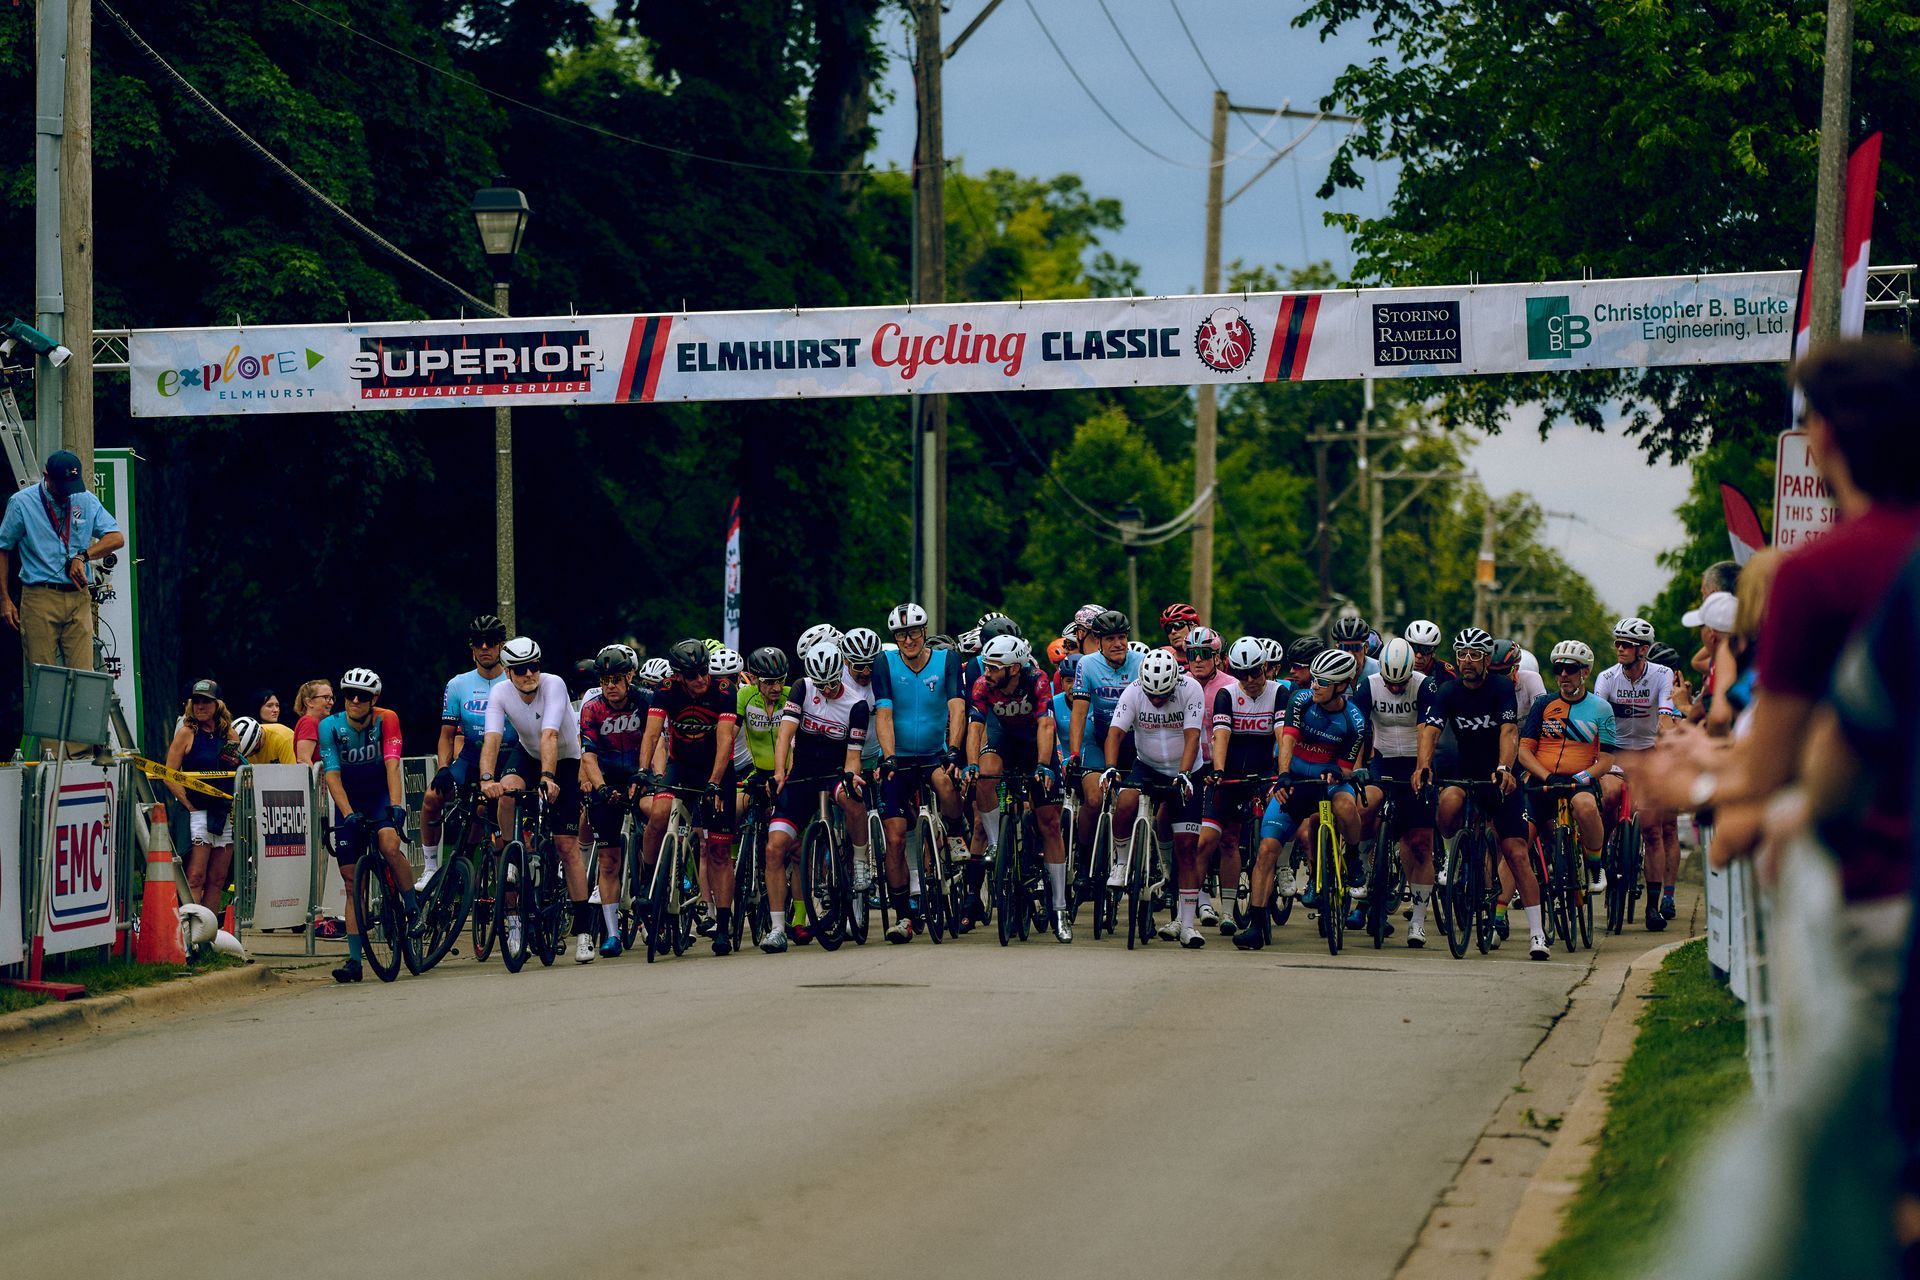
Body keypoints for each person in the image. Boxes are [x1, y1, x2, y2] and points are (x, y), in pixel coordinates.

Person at [1716, 336, 1920, 916]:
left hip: (1872, 887)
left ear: (1825, 434)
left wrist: (1698, 785)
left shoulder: (1815, 573)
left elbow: (1773, 767)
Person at [1414, 628, 1546, 959]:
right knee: (1447, 802)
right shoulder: (1448, 691)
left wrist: (1504, 767)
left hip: (1499, 777)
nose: (1467, 661)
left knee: (1515, 851)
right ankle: (1450, 855)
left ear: (1486, 659)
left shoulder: (1501, 688)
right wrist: (1423, 766)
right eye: (1462, 654)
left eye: (1475, 655)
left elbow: (1509, 731)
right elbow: (1430, 731)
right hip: (1465, 773)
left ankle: (1537, 933)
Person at [478, 637, 597, 964]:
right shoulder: (499, 693)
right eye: (520, 669)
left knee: (566, 846)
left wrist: (548, 778)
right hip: (529, 755)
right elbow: (492, 738)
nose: (529, 673)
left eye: (534, 666)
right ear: (507, 672)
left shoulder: (553, 685)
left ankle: (584, 932)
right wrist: (487, 778)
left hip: (566, 758)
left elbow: (550, 734)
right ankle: (508, 856)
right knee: (506, 790)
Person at [0, 449, 125, 755]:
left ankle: (80, 751)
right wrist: (4, 598)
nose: (68, 494)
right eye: (61, 487)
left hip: (77, 596)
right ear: (46, 478)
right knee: (45, 675)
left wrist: (84, 556)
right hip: (39, 594)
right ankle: (53, 753)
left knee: (83, 674)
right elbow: (3, 547)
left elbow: (116, 537)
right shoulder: (22, 503)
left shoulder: (83, 498)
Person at [1244, 648, 1367, 947]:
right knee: (1267, 848)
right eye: (1313, 679)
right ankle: (1256, 924)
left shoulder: (1354, 721)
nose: (1314, 686)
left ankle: (1352, 857)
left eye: (1322, 682)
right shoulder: (1300, 700)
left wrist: (1338, 773)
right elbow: (1288, 738)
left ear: (1341, 686)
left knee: (1347, 806)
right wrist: (1283, 774)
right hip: (1296, 781)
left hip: (1330, 783)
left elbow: (1346, 766)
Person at [762, 642, 869, 953]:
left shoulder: (856, 704)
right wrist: (779, 771)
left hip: (835, 772)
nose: (827, 689)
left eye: (832, 683)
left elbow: (853, 757)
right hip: (802, 776)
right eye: (821, 684)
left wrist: (852, 776)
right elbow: (785, 734)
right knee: (774, 848)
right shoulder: (801, 688)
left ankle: (860, 860)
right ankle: (777, 928)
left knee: (853, 798)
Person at [636, 638, 740, 953]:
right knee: (658, 813)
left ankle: (722, 926)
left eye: (702, 672)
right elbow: (652, 733)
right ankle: (649, 881)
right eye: (691, 675)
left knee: (720, 852)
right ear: (679, 675)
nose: (699, 680)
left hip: (716, 769)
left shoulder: (723, 690)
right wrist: (643, 771)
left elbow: (725, 741)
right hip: (680, 766)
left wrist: (715, 782)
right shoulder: (667, 689)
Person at [965, 634, 1070, 941]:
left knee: (1049, 823)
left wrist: (1042, 764)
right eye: (986, 666)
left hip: (1035, 745)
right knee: (984, 775)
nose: (987, 673)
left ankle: (1060, 909)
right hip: (1003, 742)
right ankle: (998, 843)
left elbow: (1046, 725)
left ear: (1013, 669)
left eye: (994, 667)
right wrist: (971, 763)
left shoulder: (1036, 681)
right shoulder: (983, 686)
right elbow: (975, 727)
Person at [871, 602, 966, 943]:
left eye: (912, 632)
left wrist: (954, 748)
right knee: (895, 838)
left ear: (924, 632)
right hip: (900, 758)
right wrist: (888, 756)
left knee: (944, 781)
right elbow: (883, 713)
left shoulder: (946, 660)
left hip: (933, 754)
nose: (907, 639)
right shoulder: (885, 662)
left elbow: (957, 706)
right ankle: (903, 917)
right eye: (900, 634)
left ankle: (955, 834)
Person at [1102, 648, 1207, 947]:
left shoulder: (1191, 689)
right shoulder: (1134, 692)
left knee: (1186, 848)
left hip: (1186, 770)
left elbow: (1192, 736)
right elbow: (1114, 734)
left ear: (1175, 681)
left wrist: (1184, 774)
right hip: (1146, 766)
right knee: (1124, 803)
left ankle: (1186, 925)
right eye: (1152, 695)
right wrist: (1110, 767)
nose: (1156, 700)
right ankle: (1121, 862)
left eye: (1162, 695)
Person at [317, 667, 412, 983]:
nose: (355, 700)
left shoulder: (387, 719)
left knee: (389, 845)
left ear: (375, 699)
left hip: (380, 794)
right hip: (350, 800)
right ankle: (355, 961)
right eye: (349, 694)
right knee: (350, 882)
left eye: (363, 696)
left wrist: (396, 806)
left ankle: (411, 908)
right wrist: (347, 813)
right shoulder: (329, 726)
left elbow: (392, 763)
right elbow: (332, 774)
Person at [1517, 641, 1618, 920]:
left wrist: (1583, 777)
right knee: (1518, 840)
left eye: (1570, 669)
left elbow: (1607, 760)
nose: (1563, 675)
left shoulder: (1601, 709)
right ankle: (1499, 912)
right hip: (1544, 779)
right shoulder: (1543, 703)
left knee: (1586, 807)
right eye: (1558, 669)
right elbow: (1524, 751)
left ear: (1584, 671)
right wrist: (1545, 775)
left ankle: (1596, 866)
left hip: (1580, 780)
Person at [1595, 617, 1681, 922]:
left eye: (1626, 644)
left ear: (1642, 649)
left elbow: (1666, 714)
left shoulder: (1662, 674)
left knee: (1652, 829)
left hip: (1648, 753)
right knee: (1608, 796)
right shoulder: (1607, 678)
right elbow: (1597, 722)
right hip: (1616, 754)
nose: (1619, 648)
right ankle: (1601, 853)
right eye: (1617, 642)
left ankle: (1653, 906)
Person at [422, 614, 515, 888]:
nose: (484, 648)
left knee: (496, 819)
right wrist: (442, 767)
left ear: (501, 646)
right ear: (472, 647)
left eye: (491, 642)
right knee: (430, 798)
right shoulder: (458, 684)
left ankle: (509, 881)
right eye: (478, 643)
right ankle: (429, 867)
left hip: (508, 759)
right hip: (471, 758)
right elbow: (447, 734)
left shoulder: (514, 681)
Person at [1355, 637, 1437, 947]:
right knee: (1366, 806)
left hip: (1415, 762)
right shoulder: (1371, 685)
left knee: (1419, 844)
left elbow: (1426, 730)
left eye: (1400, 683)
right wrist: (1359, 766)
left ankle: (1417, 919)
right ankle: (1361, 864)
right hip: (1382, 759)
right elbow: (1359, 727)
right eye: (1390, 682)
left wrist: (1423, 767)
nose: (1395, 689)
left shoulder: (1424, 685)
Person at [1208, 637, 1287, 948]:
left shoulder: (1280, 692)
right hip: (1233, 767)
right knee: (1221, 837)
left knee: (1277, 817)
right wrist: (1217, 772)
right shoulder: (1227, 694)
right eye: (1243, 674)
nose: (1251, 681)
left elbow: (1283, 735)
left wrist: (1283, 775)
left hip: (1266, 765)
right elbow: (1221, 736)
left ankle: (1280, 869)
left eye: (1256, 672)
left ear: (1265, 667)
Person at [579, 644, 651, 956]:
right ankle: (610, 933)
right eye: (605, 680)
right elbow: (588, 756)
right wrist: (602, 788)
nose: (610, 686)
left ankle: (658, 909)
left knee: (653, 835)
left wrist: (646, 774)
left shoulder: (646, 701)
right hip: (607, 779)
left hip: (641, 774)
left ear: (630, 676)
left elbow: (658, 742)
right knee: (608, 860)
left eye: (617, 679)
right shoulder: (592, 708)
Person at [164, 680, 237, 916]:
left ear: (217, 704)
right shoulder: (186, 732)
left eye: (206, 701)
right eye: (196, 701)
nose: (201, 706)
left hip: (223, 811)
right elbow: (169, 774)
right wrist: (188, 804)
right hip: (198, 810)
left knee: (218, 877)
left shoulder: (229, 734)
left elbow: (234, 769)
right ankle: (191, 933)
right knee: (196, 875)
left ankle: (209, 935)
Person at [231, 714, 296, 765]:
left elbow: (293, 775)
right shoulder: (247, 747)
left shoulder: (284, 739)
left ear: (256, 745)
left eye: (250, 754)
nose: (249, 757)